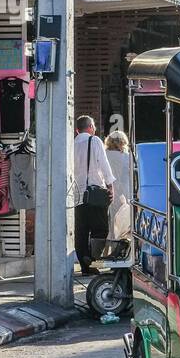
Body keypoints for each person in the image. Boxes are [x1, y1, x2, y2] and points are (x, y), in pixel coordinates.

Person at [74, 116, 115, 275]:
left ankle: (85, 265)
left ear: (77, 129)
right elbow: (104, 164)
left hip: (77, 194)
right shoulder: (94, 140)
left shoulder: (72, 144)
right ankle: (91, 259)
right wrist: (110, 185)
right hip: (95, 192)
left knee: (81, 231)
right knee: (100, 229)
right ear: (91, 127)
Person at [104, 130, 133, 243]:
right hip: (125, 192)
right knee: (124, 220)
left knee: (109, 219)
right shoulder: (127, 156)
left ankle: (109, 243)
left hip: (109, 190)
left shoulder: (105, 155)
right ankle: (122, 243)